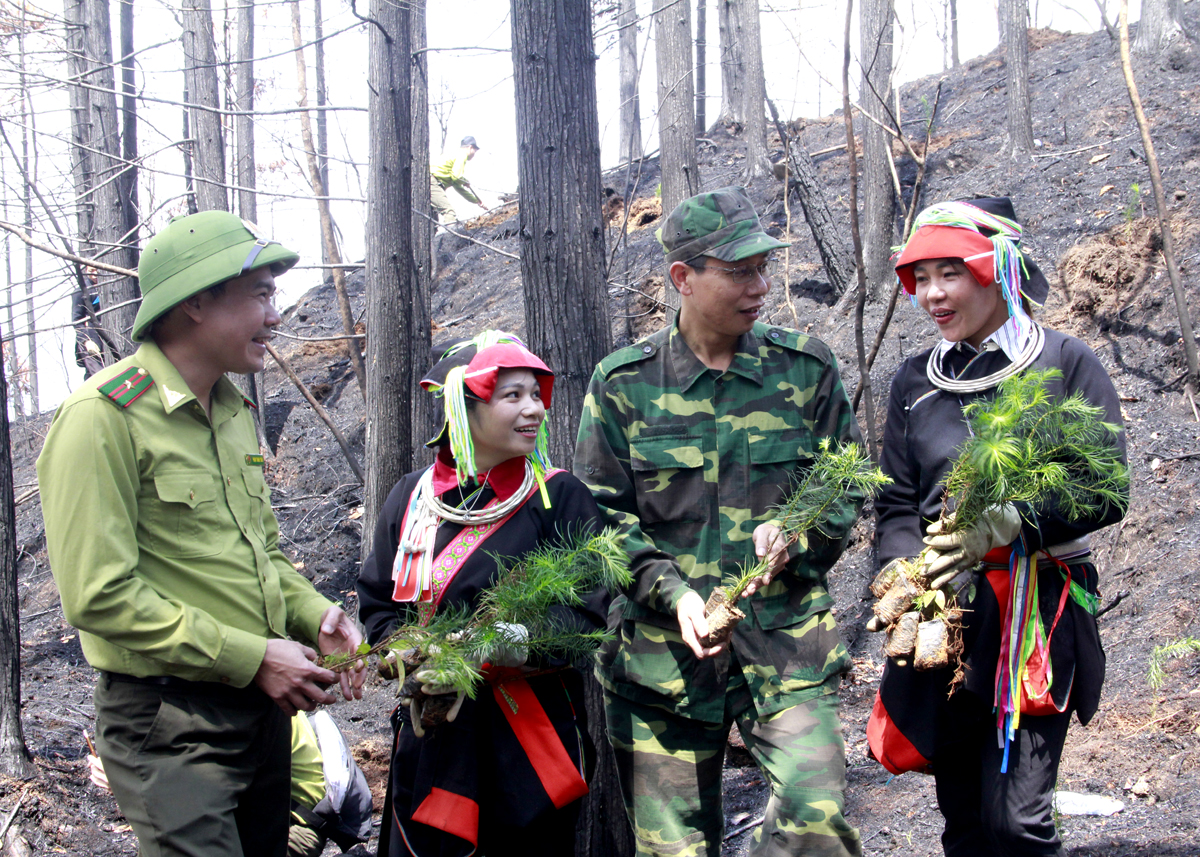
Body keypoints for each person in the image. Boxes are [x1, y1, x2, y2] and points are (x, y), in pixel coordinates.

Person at [37, 210, 366, 857]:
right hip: (170, 725)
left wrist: (314, 614)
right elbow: (98, 594)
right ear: (195, 301)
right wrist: (255, 656)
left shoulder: (235, 414)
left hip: (263, 716)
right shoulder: (102, 418)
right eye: (262, 294)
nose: (277, 315)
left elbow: (262, 555)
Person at [574, 186, 865, 857]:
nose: (760, 285)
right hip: (661, 666)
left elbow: (845, 486)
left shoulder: (804, 368)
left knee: (816, 822)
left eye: (763, 267)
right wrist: (671, 595)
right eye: (738, 271)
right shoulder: (624, 384)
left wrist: (797, 534)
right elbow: (600, 521)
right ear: (684, 277)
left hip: (785, 647)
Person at [867, 198, 1129, 856]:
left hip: (1037, 610)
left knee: (1018, 819)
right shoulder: (912, 383)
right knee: (964, 820)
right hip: (944, 618)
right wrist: (901, 576)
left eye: (949, 272)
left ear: (995, 269)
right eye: (919, 278)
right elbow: (898, 503)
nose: (930, 294)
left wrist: (1010, 521)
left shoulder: (1064, 363)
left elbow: (1104, 486)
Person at [356, 330, 608, 857]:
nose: (534, 409)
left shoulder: (558, 496)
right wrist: (401, 651)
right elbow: (380, 602)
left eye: (536, 394)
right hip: (432, 735)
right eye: (512, 395)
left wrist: (503, 643)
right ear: (462, 406)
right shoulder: (410, 497)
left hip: (528, 740)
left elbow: (588, 616)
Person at [87, 711, 373, 857]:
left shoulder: (241, 701)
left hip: (294, 829)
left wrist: (129, 780)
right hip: (285, 815)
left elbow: (209, 792)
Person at [430, 135, 488, 224]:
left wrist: (476, 201)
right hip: (433, 182)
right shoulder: (462, 154)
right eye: (474, 151)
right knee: (449, 211)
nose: (474, 154)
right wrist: (464, 181)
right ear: (470, 147)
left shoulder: (454, 153)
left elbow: (457, 186)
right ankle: (450, 236)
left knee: (432, 216)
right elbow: (456, 176)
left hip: (432, 182)